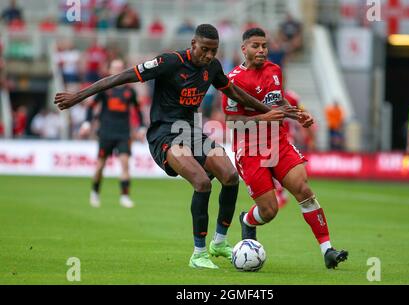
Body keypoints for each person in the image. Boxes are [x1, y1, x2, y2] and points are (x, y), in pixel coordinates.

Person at [55, 24, 300, 269]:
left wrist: (273, 110)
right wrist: (78, 96)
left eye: (213, 51)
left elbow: (236, 93)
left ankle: (219, 242)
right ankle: (199, 254)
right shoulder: (169, 62)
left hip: (191, 131)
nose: (208, 56)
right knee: (202, 183)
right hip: (164, 134)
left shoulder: (212, 67)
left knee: (230, 175)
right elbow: (122, 76)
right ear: (193, 44)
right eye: (204, 49)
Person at [222, 28, 348, 269]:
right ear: (244, 49)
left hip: (278, 142)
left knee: (303, 189)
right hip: (250, 148)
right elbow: (231, 123)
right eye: (256, 46)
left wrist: (298, 115)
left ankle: (327, 251)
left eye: (264, 46)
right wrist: (264, 119)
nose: (261, 50)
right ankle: (247, 220)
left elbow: (278, 101)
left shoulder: (274, 70)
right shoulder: (233, 80)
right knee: (269, 211)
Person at [79, 58, 146, 208]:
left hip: (123, 132)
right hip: (106, 132)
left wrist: (141, 127)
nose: (118, 70)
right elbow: (91, 106)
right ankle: (95, 193)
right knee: (100, 166)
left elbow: (137, 110)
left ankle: (125, 196)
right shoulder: (104, 89)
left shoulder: (130, 91)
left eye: (121, 68)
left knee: (125, 164)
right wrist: (87, 123)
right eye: (115, 68)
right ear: (110, 70)